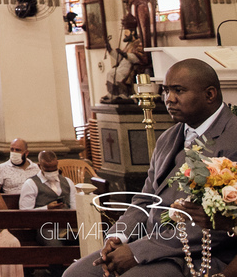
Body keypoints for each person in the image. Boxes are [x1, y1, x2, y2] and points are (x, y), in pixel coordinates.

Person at [66, 59, 237, 277]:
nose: (169, 99)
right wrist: (119, 236)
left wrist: (138, 252)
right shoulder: (168, 137)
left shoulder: (232, 137)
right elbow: (145, 199)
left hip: (201, 255)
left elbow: (220, 225)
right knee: (76, 274)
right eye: (165, 90)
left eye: (178, 90)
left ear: (210, 94)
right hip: (151, 245)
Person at [19, 150, 77, 262]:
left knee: (84, 239)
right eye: (47, 169)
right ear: (39, 166)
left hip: (67, 225)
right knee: (55, 245)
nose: (51, 171)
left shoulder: (67, 182)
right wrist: (46, 208)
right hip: (45, 227)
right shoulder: (31, 183)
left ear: (57, 163)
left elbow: (74, 207)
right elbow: (25, 213)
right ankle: (57, 270)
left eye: (54, 168)